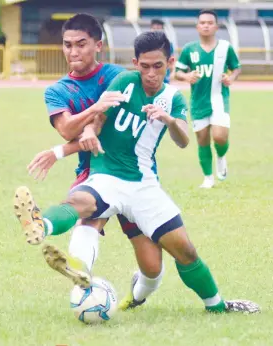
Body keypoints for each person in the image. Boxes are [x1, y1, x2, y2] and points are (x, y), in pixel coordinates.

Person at [14, 30, 259, 314]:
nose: (151, 73)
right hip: (107, 175)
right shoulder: (125, 82)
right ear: (135, 62)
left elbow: (183, 140)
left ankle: (215, 307)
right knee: (80, 203)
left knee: (180, 254)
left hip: (143, 185)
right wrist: (90, 132)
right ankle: (39, 224)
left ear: (170, 62)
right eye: (144, 66)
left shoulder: (173, 97)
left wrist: (168, 120)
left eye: (158, 66)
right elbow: (98, 118)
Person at [23, 13, 165, 309]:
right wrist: (92, 114)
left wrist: (64, 146)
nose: (73, 52)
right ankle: (80, 276)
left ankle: (137, 295)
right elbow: (66, 128)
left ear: (98, 45)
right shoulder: (58, 90)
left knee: (152, 266)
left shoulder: (120, 77)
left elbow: (124, 122)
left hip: (131, 173)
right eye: (67, 45)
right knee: (85, 216)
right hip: (93, 171)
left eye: (81, 44)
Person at [175, 9, 241, 188]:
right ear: (197, 26)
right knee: (202, 139)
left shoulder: (225, 47)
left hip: (219, 99)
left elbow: (236, 68)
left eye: (209, 23)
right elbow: (177, 72)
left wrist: (231, 78)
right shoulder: (189, 49)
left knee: (220, 137)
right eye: (202, 22)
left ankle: (221, 156)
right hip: (198, 102)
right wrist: (187, 77)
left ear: (216, 27)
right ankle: (208, 178)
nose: (206, 25)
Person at [150, 18, 174, 84]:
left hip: (164, 76)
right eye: (154, 28)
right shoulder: (146, 43)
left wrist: (173, 72)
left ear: (162, 30)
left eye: (158, 28)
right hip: (150, 75)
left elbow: (172, 59)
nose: (156, 30)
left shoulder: (168, 44)